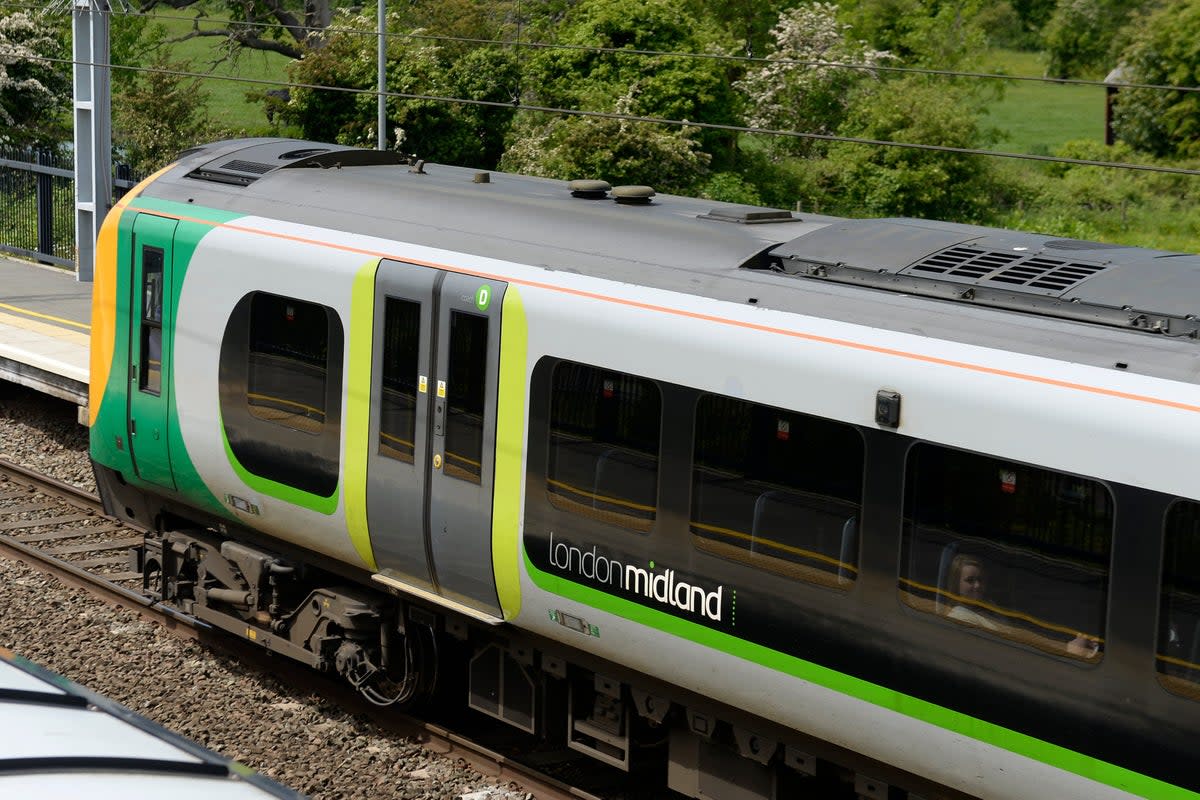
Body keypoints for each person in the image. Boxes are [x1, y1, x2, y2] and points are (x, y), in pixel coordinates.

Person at [942, 553, 1099, 658]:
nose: (977, 586)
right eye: (970, 580)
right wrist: (1068, 653)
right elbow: (1002, 656)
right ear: (956, 583)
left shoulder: (989, 607)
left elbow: (1021, 638)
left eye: (980, 580)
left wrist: (1067, 647)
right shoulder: (959, 618)